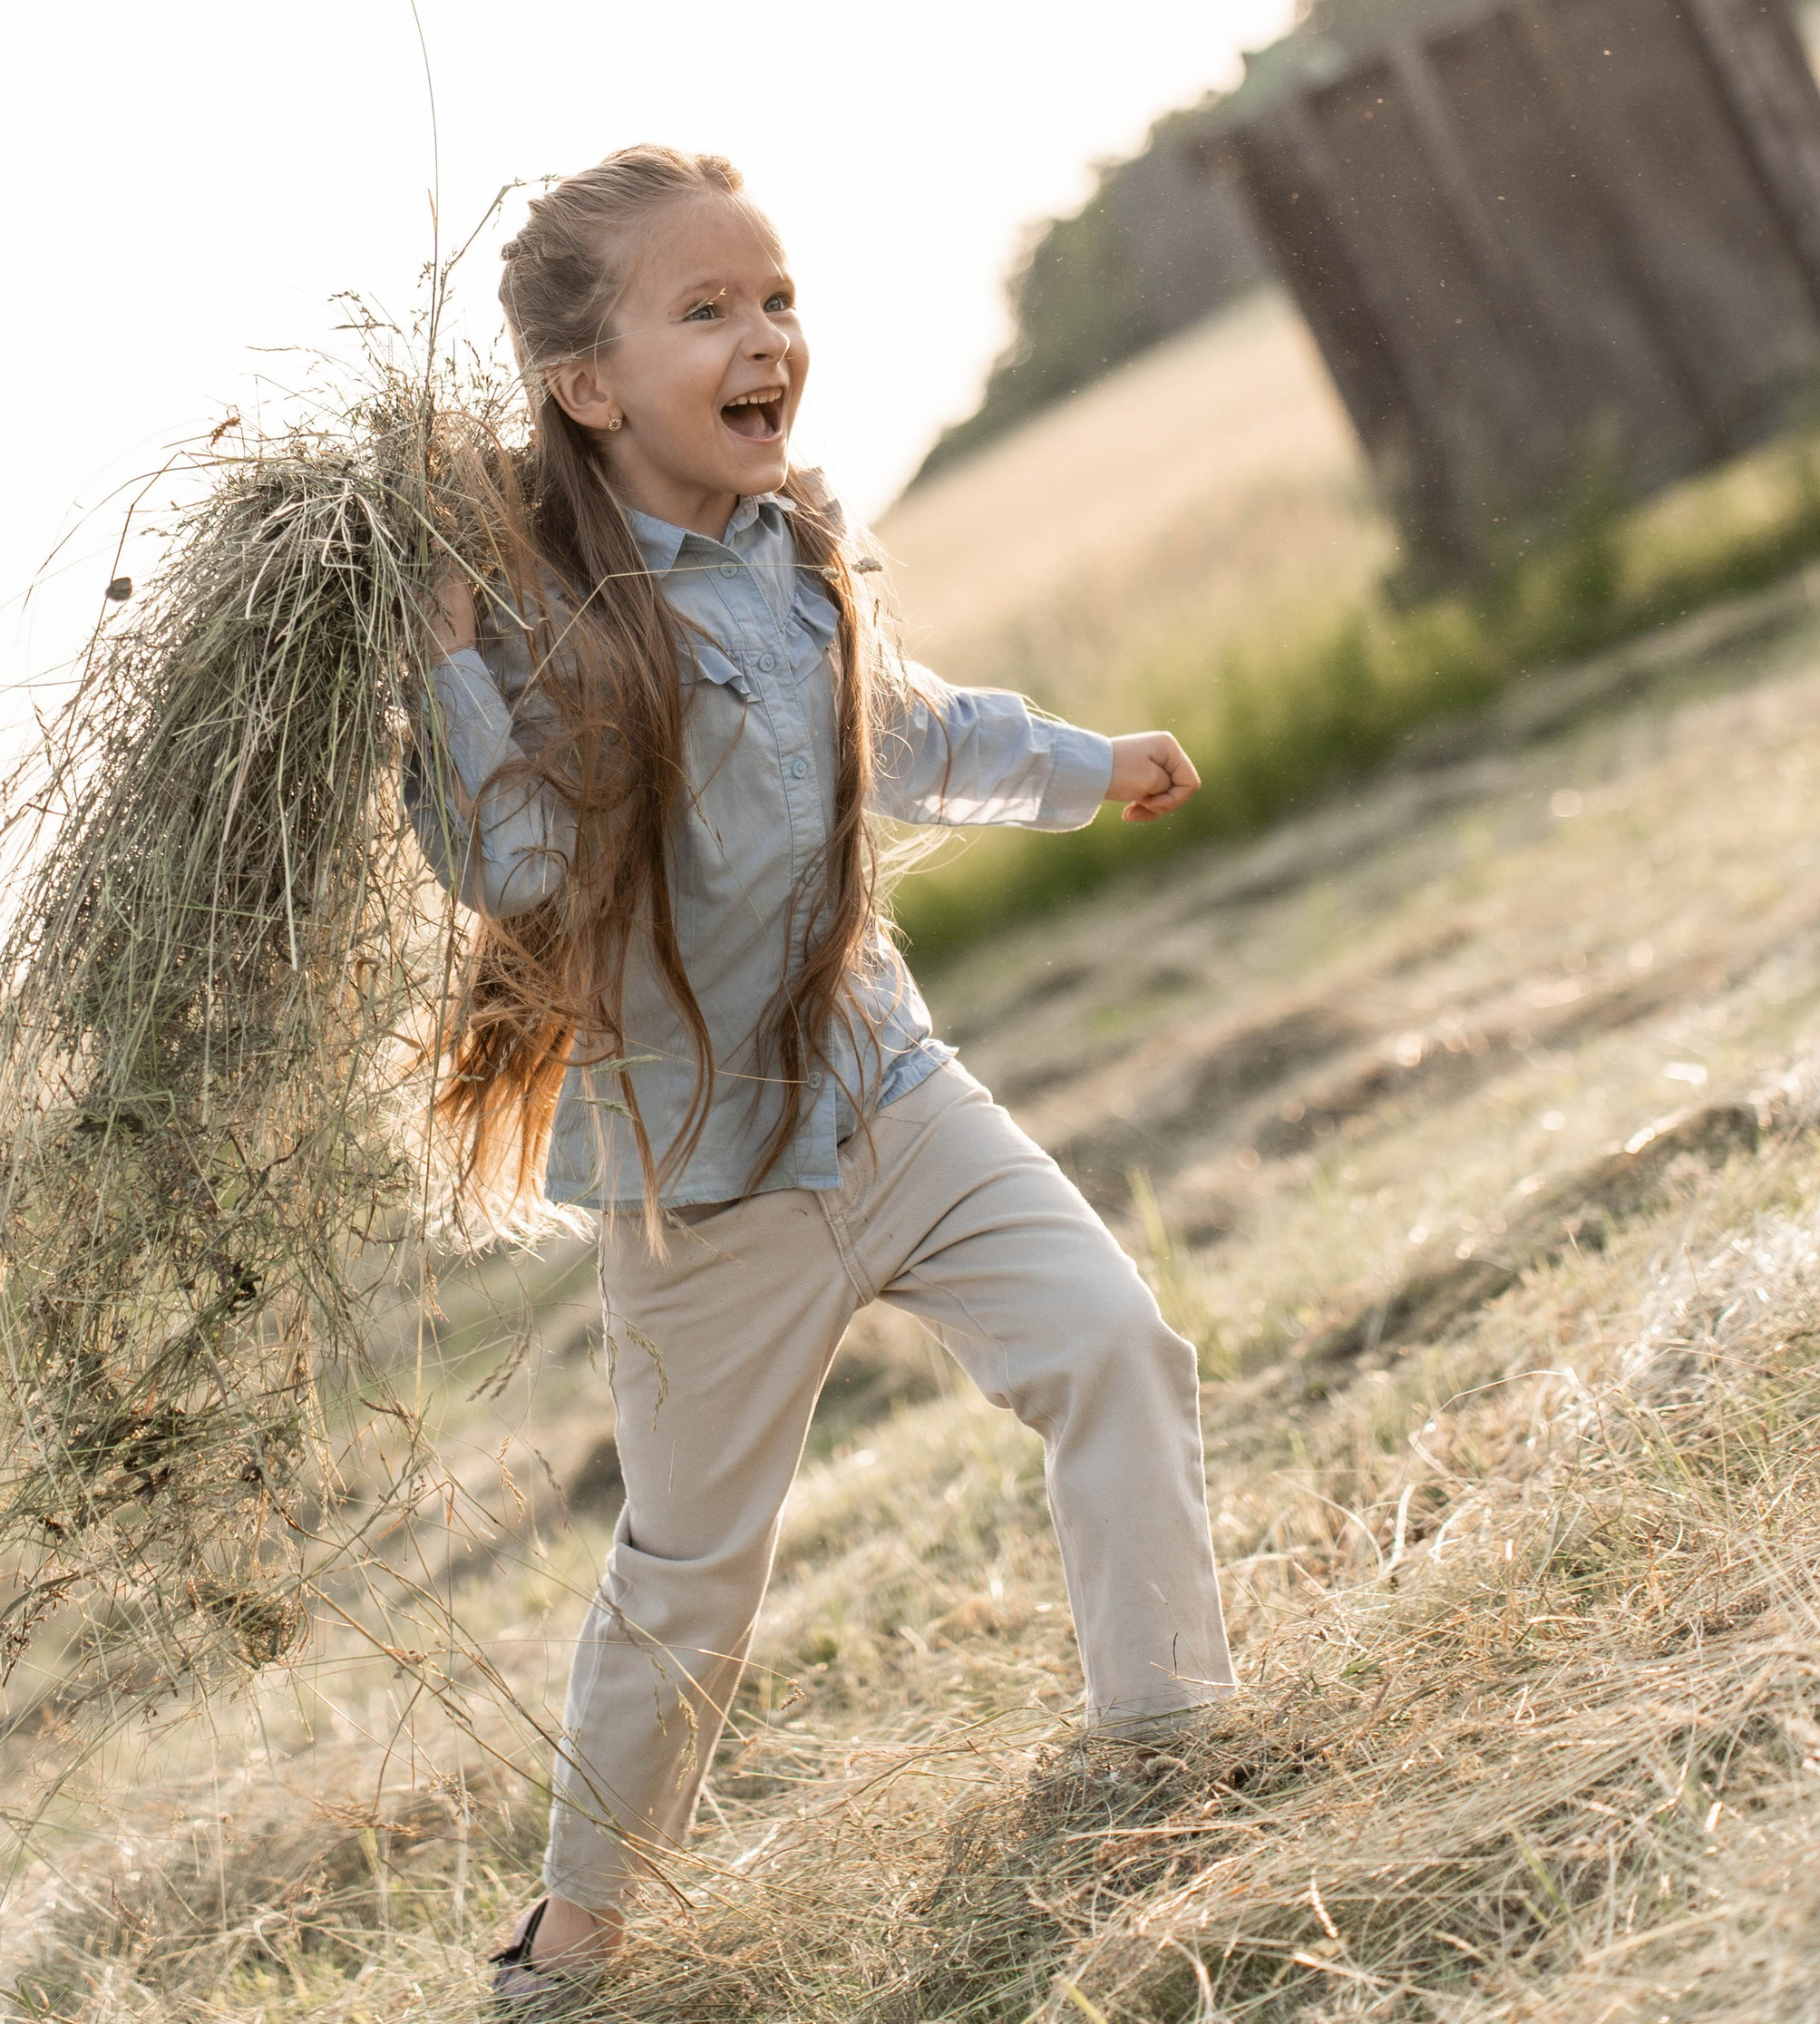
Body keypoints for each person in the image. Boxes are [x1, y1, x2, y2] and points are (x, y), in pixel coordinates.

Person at [424, 145, 1234, 2002]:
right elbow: (519, 876)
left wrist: (1082, 760)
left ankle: (1168, 1754)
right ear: (587, 386)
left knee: (1110, 1346)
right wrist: (455, 677)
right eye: (704, 307)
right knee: (688, 1581)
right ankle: (567, 1947)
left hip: (889, 1089)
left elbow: (905, 724)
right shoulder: (528, 628)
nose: (762, 334)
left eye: (773, 297)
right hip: (707, 1181)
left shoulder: (795, 549)